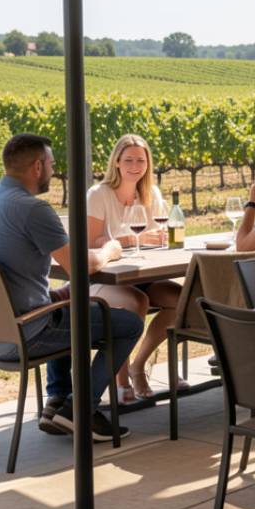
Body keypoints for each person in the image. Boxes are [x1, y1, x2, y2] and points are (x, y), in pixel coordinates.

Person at [0, 133, 143, 442]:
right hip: (24, 334)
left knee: (70, 307)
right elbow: (80, 265)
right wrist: (110, 251)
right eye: (51, 163)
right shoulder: (32, 209)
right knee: (127, 324)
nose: (54, 170)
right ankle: (78, 409)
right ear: (37, 167)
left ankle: (57, 402)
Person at [82, 134, 184, 403]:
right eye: (128, 159)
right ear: (116, 162)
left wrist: (158, 238)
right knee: (136, 302)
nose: (135, 165)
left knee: (180, 300)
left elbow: (159, 234)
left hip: (140, 274)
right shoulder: (98, 194)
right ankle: (122, 379)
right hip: (104, 279)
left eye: (141, 159)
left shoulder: (151, 194)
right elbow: (90, 243)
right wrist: (129, 240)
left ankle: (140, 364)